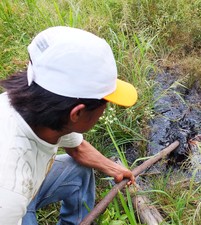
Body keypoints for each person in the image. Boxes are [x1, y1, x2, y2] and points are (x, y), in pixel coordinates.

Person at [0, 26, 138, 225]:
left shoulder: (43, 108)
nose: (105, 110)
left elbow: (77, 148)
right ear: (78, 113)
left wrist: (114, 169)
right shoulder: (8, 188)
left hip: (23, 194)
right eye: (105, 104)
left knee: (79, 171)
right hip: (13, 210)